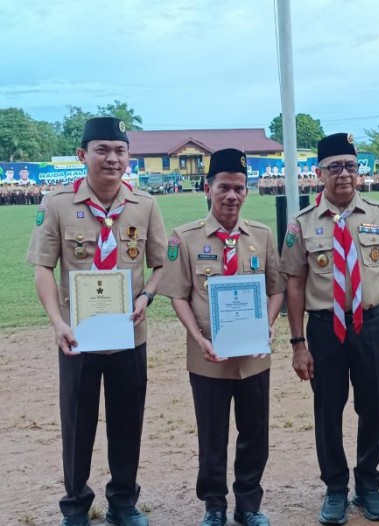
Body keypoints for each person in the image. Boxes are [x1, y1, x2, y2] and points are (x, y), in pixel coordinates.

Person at [26, 117, 167, 526]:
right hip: (77, 336)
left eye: (120, 151)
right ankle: (76, 505)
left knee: (127, 421)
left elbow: (160, 264)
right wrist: (57, 322)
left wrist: (146, 296)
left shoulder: (145, 204)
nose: (112, 158)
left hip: (129, 334)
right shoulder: (57, 203)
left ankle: (123, 501)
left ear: (129, 157)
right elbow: (42, 268)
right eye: (102, 150)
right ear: (82, 155)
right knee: (77, 423)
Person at [281, 133, 379, 525]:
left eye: (350, 166)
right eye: (334, 167)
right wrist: (298, 343)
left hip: (371, 324)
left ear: (359, 171)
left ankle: (368, 484)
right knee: (327, 409)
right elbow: (295, 285)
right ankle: (335, 487)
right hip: (325, 329)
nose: (343, 174)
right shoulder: (301, 223)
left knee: (373, 406)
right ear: (319, 173)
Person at [158, 149, 285, 526]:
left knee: (255, 434)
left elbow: (277, 288)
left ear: (247, 191)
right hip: (208, 358)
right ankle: (214, 505)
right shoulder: (185, 238)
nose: (232, 195)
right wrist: (199, 339)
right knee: (212, 436)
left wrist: (269, 323)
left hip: (253, 358)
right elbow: (178, 295)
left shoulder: (261, 236)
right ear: (207, 188)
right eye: (224, 187)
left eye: (239, 188)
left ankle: (249, 504)